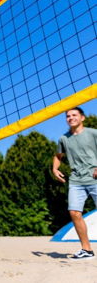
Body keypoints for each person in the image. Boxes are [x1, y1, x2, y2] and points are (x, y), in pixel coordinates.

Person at [53, 107, 97, 260]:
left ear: (82, 118)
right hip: (76, 180)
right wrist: (55, 168)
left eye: (74, 115)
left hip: (94, 177)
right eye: (68, 116)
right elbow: (58, 155)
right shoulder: (63, 138)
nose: (70, 118)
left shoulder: (93, 133)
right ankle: (87, 249)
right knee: (74, 213)